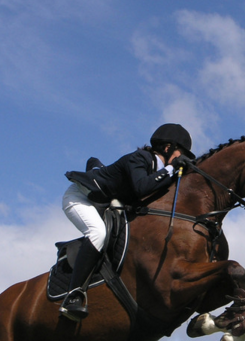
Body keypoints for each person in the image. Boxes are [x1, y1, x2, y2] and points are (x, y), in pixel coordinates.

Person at [60, 123, 196, 321]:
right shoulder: (139, 158)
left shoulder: (161, 171)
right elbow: (142, 188)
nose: (181, 158)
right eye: (180, 152)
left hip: (106, 203)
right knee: (97, 233)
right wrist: (171, 168)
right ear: (167, 148)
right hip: (80, 198)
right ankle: (73, 295)